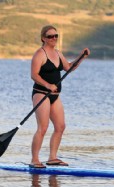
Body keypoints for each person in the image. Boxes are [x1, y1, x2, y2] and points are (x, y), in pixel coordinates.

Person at [30, 25, 90, 168]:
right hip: (41, 94)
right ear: (43, 38)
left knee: (60, 126)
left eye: (56, 36)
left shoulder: (58, 53)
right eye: (50, 36)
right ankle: (34, 160)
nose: (54, 38)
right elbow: (34, 75)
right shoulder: (40, 54)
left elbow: (68, 68)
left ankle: (52, 158)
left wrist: (81, 57)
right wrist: (47, 85)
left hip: (55, 96)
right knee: (43, 127)